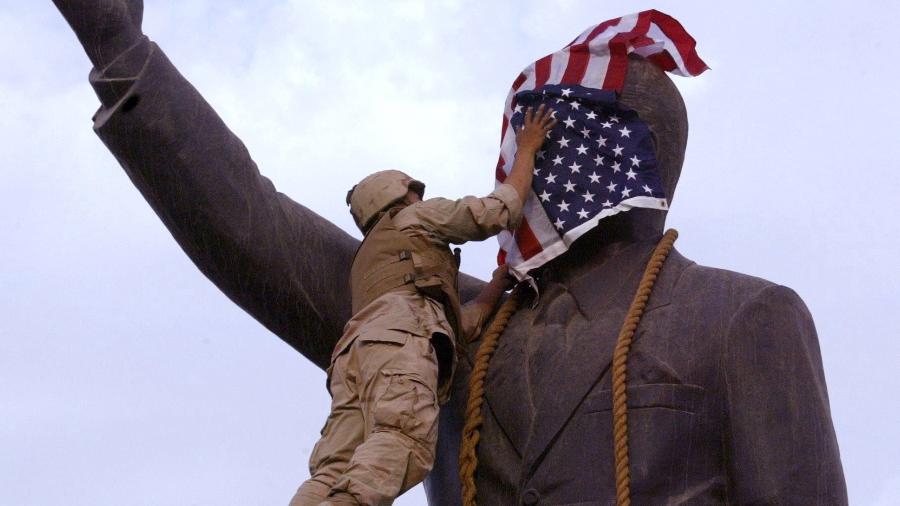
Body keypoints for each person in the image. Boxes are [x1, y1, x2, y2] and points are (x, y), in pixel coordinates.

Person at [292, 105, 556, 505]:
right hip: (400, 341)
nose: (421, 196)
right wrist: (528, 149)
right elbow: (500, 211)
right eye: (416, 191)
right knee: (402, 439)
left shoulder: (369, 262)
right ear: (400, 195)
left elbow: (455, 325)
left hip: (353, 356)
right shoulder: (413, 218)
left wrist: (496, 286)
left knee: (333, 467)